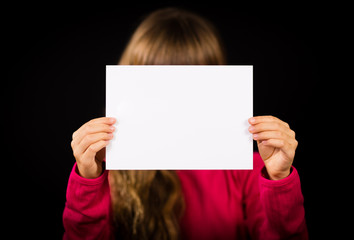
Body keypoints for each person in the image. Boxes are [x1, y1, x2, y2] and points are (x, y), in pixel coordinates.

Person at [63, 8, 307, 240]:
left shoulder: (253, 169)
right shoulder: (107, 167)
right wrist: (88, 179)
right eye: (157, 84)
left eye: (192, 84)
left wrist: (278, 178)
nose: (173, 101)